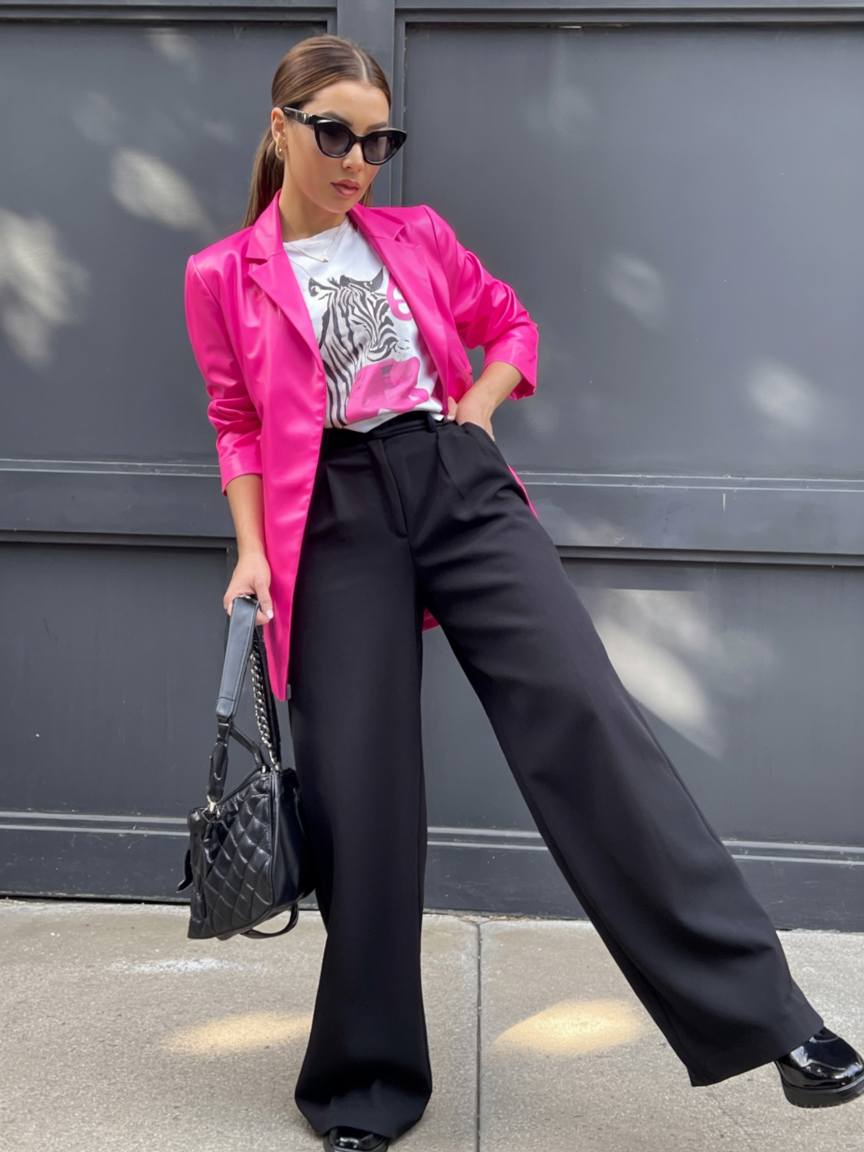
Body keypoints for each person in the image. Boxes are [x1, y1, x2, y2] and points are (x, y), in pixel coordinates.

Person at [183, 32, 864, 1152]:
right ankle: (365, 1083)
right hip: (331, 521)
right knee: (363, 799)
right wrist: (250, 551)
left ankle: (770, 1018)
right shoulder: (225, 272)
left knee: (589, 719)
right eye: (334, 134)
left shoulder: (417, 235)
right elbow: (238, 421)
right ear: (281, 126)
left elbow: (511, 325)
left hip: (454, 482)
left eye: (377, 139)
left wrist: (482, 405)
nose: (358, 159)